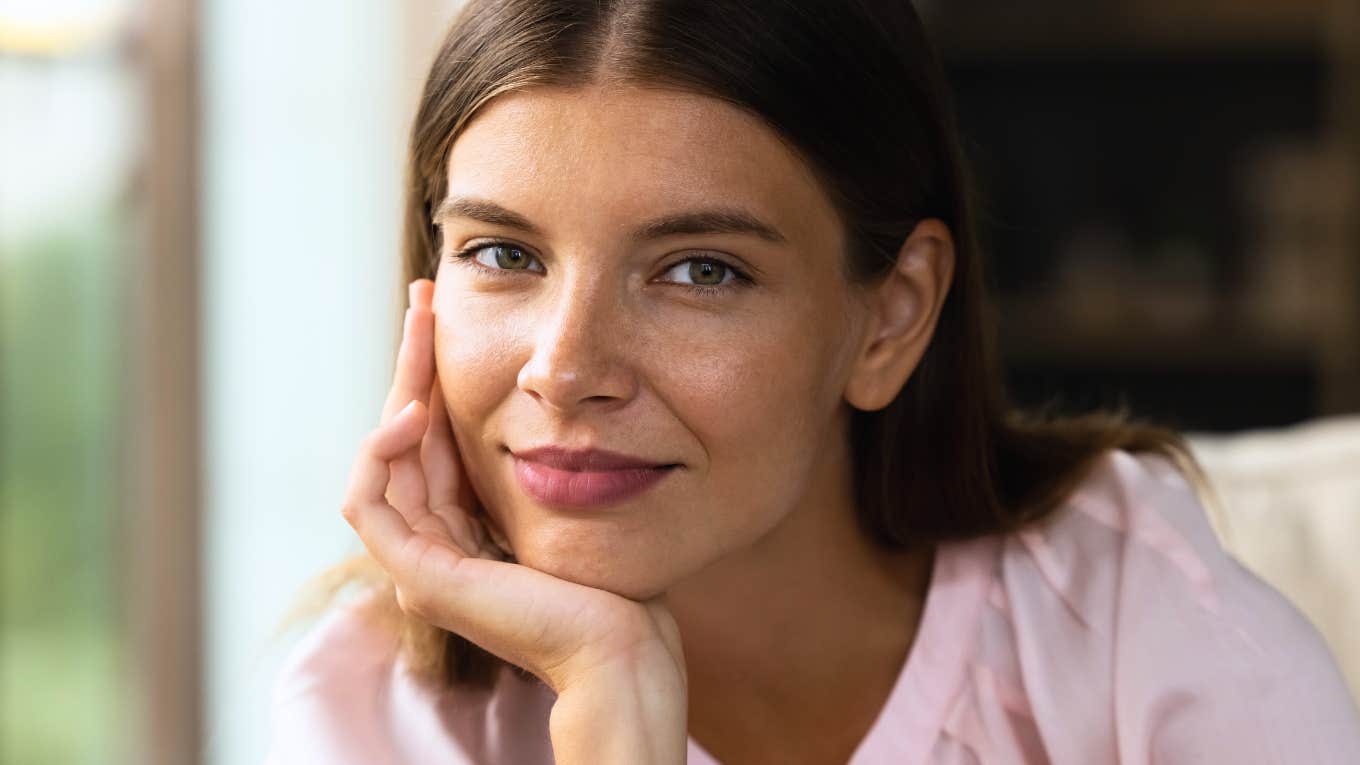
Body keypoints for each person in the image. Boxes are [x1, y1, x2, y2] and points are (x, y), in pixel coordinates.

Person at [262, 1, 1360, 762]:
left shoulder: (1127, 617)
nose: (565, 369)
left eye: (701, 270)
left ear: (891, 315)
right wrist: (613, 704)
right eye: (503, 255)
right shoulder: (373, 713)